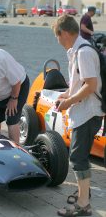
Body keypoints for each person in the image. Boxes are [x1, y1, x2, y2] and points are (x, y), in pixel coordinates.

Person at [53, 15, 104, 216]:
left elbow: (91, 85)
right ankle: (84, 193)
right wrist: (67, 94)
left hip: (87, 112)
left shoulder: (83, 52)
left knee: (78, 158)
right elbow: (81, 83)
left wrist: (68, 102)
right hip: (84, 111)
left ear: (64, 33)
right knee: (79, 157)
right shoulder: (78, 50)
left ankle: (83, 205)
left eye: (57, 36)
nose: (57, 40)